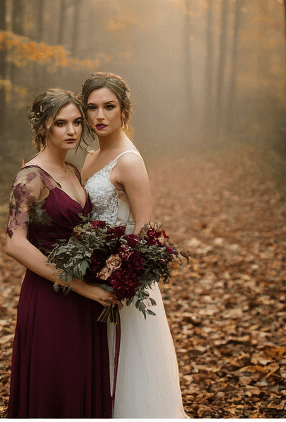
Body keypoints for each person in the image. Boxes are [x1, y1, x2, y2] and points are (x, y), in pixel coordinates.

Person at [81, 72, 186, 418]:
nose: (100, 115)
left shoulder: (129, 161)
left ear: (123, 109)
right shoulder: (90, 156)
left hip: (125, 278)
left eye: (109, 106)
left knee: (128, 364)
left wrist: (118, 271)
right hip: (91, 274)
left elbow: (144, 229)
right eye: (92, 107)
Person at [6, 89, 113, 418]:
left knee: (82, 382)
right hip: (51, 296)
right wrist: (81, 287)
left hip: (84, 298)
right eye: (61, 124)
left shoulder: (74, 170)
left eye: (77, 123)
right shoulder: (29, 177)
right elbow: (14, 242)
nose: (72, 131)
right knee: (57, 385)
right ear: (43, 129)